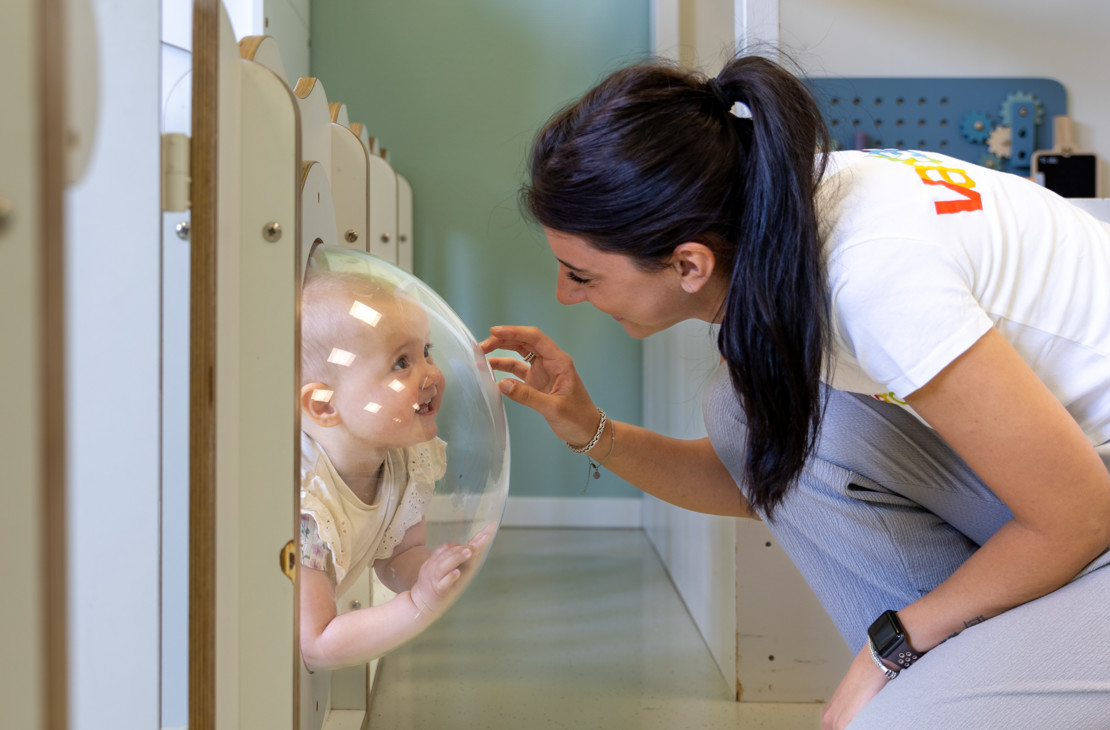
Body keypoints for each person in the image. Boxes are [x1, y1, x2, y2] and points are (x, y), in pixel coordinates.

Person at [480, 53, 1110, 728]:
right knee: (740, 413)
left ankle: (938, 684)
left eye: (581, 275)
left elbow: (1078, 517)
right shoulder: (795, 215)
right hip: (1076, 485)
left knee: (895, 719)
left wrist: (887, 649)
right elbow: (769, 476)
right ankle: (959, 673)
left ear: (689, 263)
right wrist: (592, 430)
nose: (564, 296)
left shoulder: (872, 281)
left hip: (1083, 509)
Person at [298, 269, 489, 671]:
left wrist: (434, 574)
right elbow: (315, 642)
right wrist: (417, 604)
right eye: (402, 362)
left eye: (427, 351)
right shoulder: (305, 508)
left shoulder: (405, 459)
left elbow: (398, 555)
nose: (431, 373)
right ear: (325, 406)